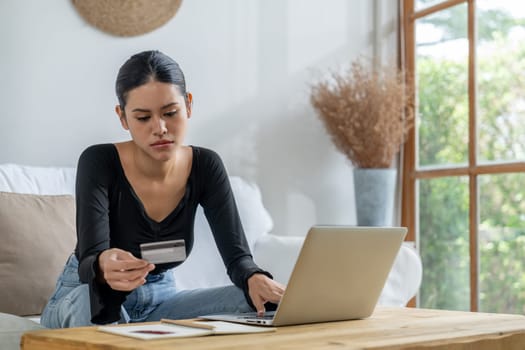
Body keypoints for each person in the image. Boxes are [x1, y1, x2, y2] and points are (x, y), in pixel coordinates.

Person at [41, 50, 284, 328]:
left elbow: (238, 258)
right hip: (90, 296)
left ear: (188, 105)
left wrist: (254, 277)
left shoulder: (206, 165)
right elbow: (89, 259)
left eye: (170, 113)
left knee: (263, 302)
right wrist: (103, 264)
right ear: (123, 118)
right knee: (93, 309)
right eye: (143, 118)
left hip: (161, 299)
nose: (160, 128)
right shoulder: (98, 161)